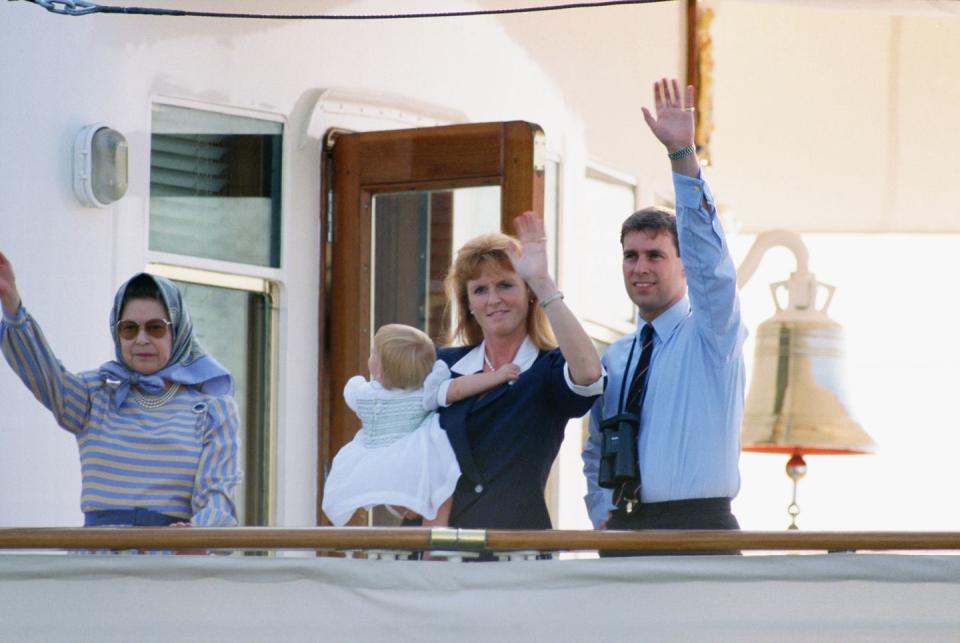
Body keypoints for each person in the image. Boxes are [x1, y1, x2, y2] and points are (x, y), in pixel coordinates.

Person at [582, 78, 747, 542]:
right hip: (625, 533)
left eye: (655, 255)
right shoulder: (616, 356)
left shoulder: (714, 334)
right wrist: (602, 517)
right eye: (630, 256)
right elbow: (595, 450)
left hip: (700, 529)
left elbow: (712, 266)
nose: (640, 267)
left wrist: (682, 158)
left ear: (682, 265)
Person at [0, 251, 240, 529]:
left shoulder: (212, 410)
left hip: (167, 562)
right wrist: (11, 302)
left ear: (179, 332)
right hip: (100, 564)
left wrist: (197, 537)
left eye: (155, 328)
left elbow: (217, 494)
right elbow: (43, 374)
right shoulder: (95, 394)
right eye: (129, 329)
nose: (141, 339)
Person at [420, 210, 604, 531]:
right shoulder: (442, 366)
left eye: (505, 285)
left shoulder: (548, 367)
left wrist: (543, 283)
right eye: (480, 290)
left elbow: (589, 373)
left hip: (516, 551)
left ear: (528, 293)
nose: (493, 300)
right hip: (437, 551)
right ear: (469, 304)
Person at [321, 323, 520, 527]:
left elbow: (350, 393)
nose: (369, 357)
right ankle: (433, 541)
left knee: (399, 496)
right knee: (441, 494)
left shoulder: (363, 394)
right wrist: (497, 376)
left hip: (375, 461)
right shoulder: (425, 393)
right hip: (412, 457)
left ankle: (409, 513)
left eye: (373, 354)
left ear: (379, 371)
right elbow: (459, 388)